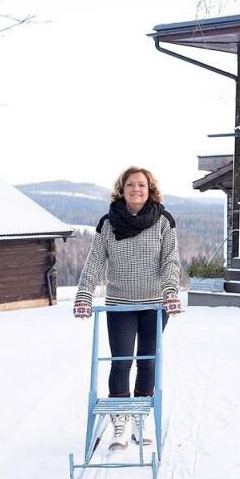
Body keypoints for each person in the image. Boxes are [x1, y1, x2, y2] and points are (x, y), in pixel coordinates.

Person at [74, 166, 182, 451]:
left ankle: (139, 416)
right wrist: (84, 295)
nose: (136, 189)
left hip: (155, 304)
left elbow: (170, 261)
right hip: (120, 304)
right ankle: (120, 419)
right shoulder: (108, 223)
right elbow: (96, 260)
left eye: (142, 185)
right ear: (121, 189)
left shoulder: (163, 221)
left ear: (150, 190)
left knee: (148, 361)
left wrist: (170, 291)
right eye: (131, 184)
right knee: (121, 361)